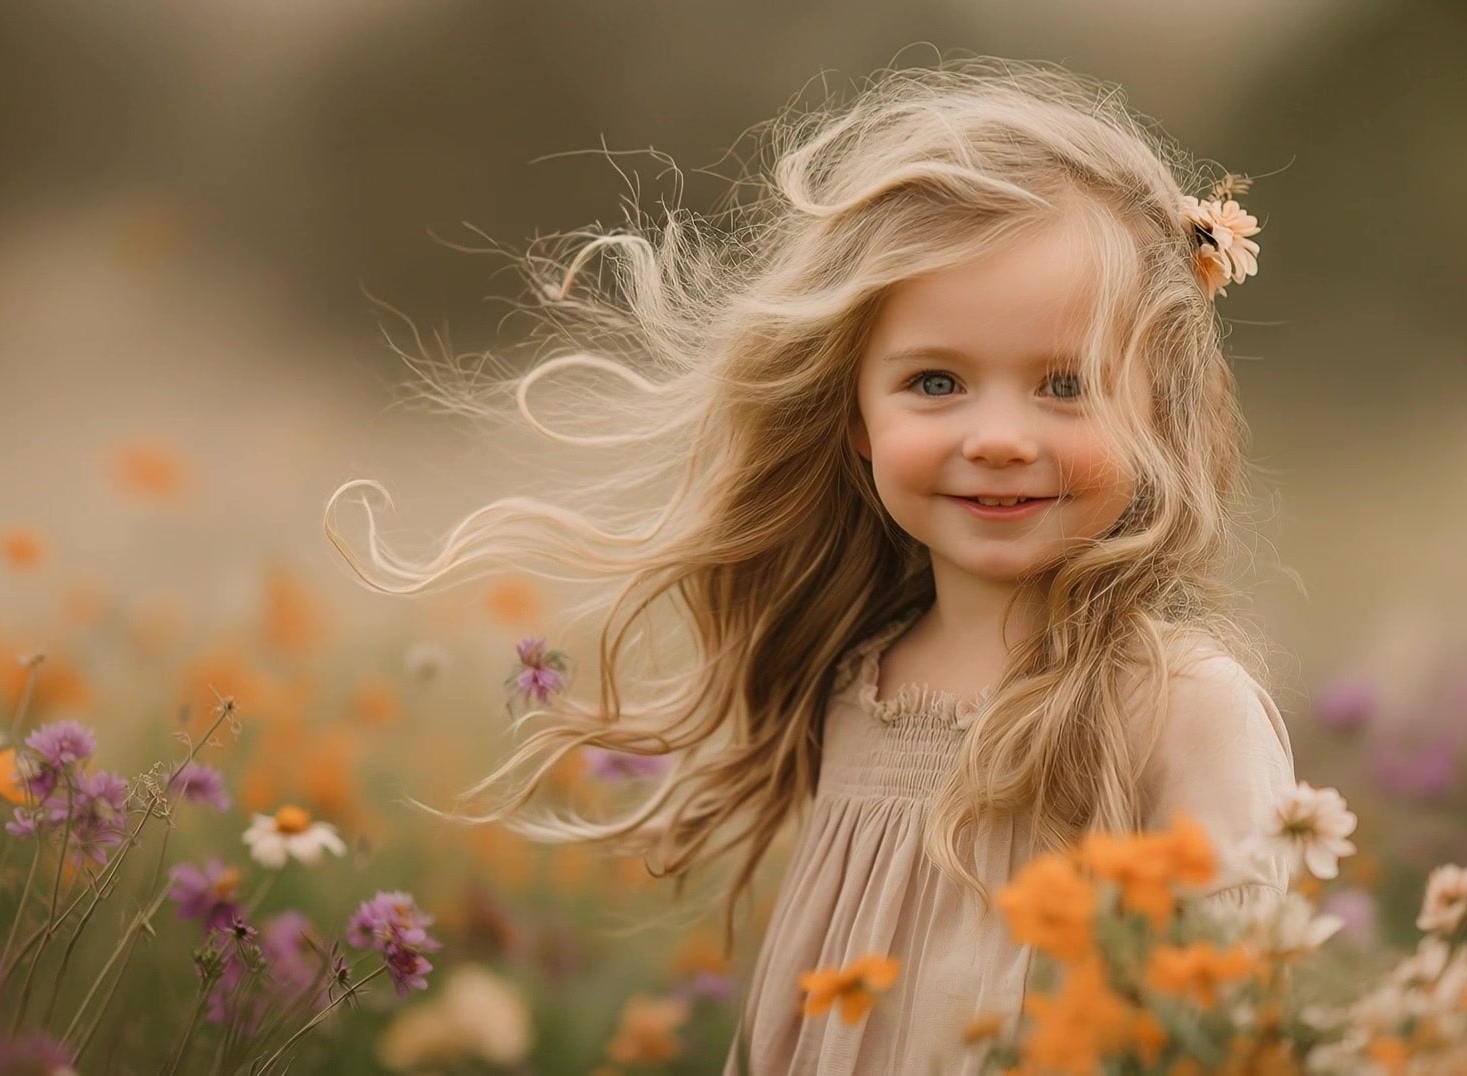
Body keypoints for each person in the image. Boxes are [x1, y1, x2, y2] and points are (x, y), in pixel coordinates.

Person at [325, 53, 1296, 1076]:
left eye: (1065, 383)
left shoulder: (1179, 705)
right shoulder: (854, 686)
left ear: (1160, 409)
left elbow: (1236, 1018)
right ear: (858, 420)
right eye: (935, 381)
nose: (1001, 435)